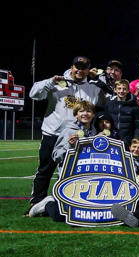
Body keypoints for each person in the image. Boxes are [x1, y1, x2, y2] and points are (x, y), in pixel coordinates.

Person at [28, 56, 105, 210]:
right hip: (53, 134)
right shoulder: (57, 83)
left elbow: (105, 104)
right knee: (45, 169)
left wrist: (99, 79)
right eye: (77, 67)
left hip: (77, 137)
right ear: (71, 67)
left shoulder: (93, 89)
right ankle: (36, 202)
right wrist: (50, 81)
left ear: (88, 70)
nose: (80, 70)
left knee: (74, 171)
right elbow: (33, 94)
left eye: (84, 68)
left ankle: (70, 201)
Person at [103, 79, 139, 147]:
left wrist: (136, 141)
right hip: (111, 139)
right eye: (119, 89)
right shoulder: (109, 104)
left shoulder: (134, 107)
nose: (121, 91)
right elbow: (104, 122)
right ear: (115, 90)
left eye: (124, 89)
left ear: (128, 90)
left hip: (127, 140)